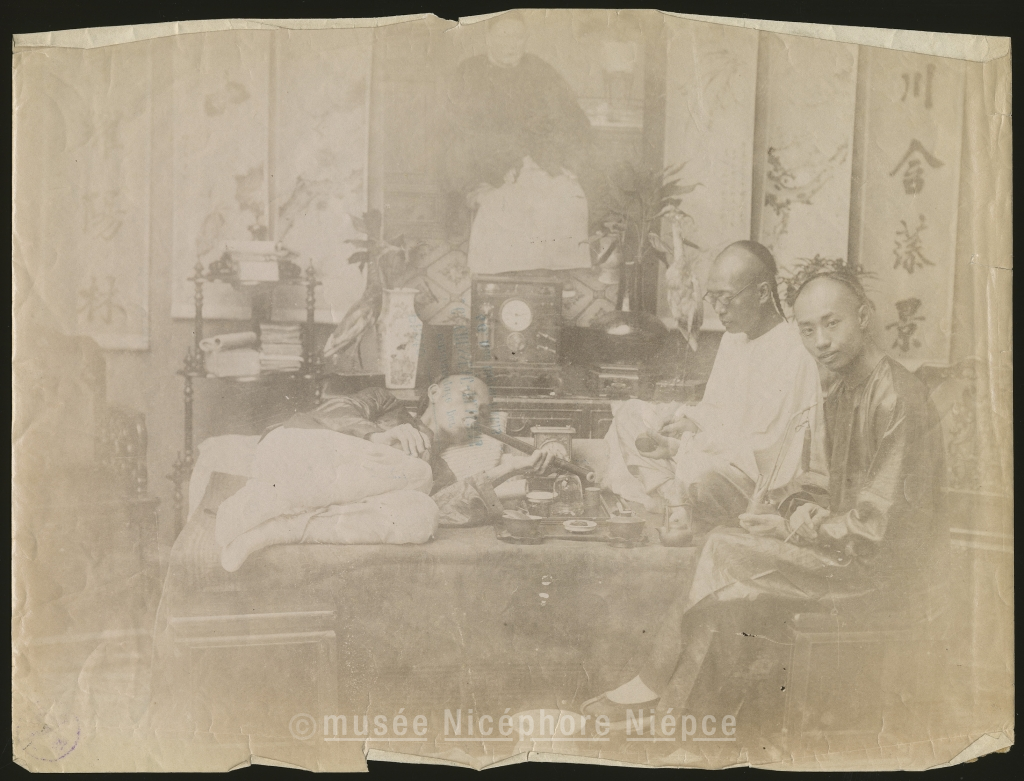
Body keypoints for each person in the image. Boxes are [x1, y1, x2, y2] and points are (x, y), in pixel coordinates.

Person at [583, 271, 947, 726]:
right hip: (844, 548)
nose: (821, 342)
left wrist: (798, 526)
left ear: (863, 316)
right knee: (726, 552)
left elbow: (878, 529)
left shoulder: (897, 398)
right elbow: (818, 479)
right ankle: (678, 713)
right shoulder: (842, 385)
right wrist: (791, 510)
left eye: (832, 323)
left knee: (724, 552)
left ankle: (658, 694)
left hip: (882, 572)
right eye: (808, 330)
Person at [214, 374, 554, 571]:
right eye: (467, 397)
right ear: (435, 392)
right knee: (418, 476)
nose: (474, 410)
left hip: (317, 496)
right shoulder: (385, 404)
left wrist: (508, 469)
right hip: (290, 452)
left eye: (482, 410)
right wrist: (378, 436)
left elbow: (449, 510)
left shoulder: (439, 471)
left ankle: (279, 529)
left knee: (423, 515)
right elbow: (333, 411)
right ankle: (255, 509)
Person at [602, 241, 822, 537]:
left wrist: (683, 447)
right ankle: (677, 503)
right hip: (709, 451)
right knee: (631, 414)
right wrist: (688, 422)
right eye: (713, 298)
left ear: (762, 293)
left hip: (750, 480)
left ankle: (682, 506)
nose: (718, 309)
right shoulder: (733, 339)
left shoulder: (794, 352)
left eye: (726, 298)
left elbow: (767, 453)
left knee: (701, 474)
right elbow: (715, 410)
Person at [441, 11, 593, 273]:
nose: (511, 44)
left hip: (540, 163)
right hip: (488, 170)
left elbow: (573, 119)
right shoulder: (469, 73)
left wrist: (567, 163)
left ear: (526, 39)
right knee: (504, 208)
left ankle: (550, 279)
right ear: (488, 38)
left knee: (568, 199)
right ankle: (502, 282)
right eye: (503, 36)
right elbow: (458, 134)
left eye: (518, 37)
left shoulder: (540, 70)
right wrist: (478, 181)